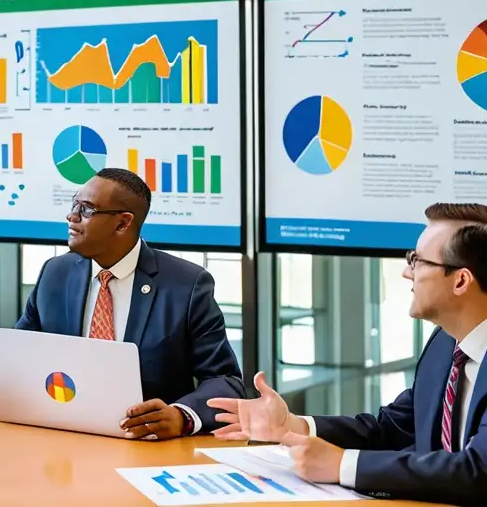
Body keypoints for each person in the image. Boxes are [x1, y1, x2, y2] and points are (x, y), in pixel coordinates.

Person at [208, 202, 487, 506]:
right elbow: (392, 428)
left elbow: (478, 471)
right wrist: (291, 425)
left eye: (417, 260)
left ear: (460, 280)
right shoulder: (445, 343)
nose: (407, 272)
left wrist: (341, 465)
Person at [16, 168, 245, 439]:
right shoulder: (55, 273)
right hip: (62, 439)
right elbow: (20, 355)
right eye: (74, 204)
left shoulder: (187, 285)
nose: (72, 216)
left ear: (123, 223)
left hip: (146, 445)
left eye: (87, 209)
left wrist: (181, 415)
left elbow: (226, 382)